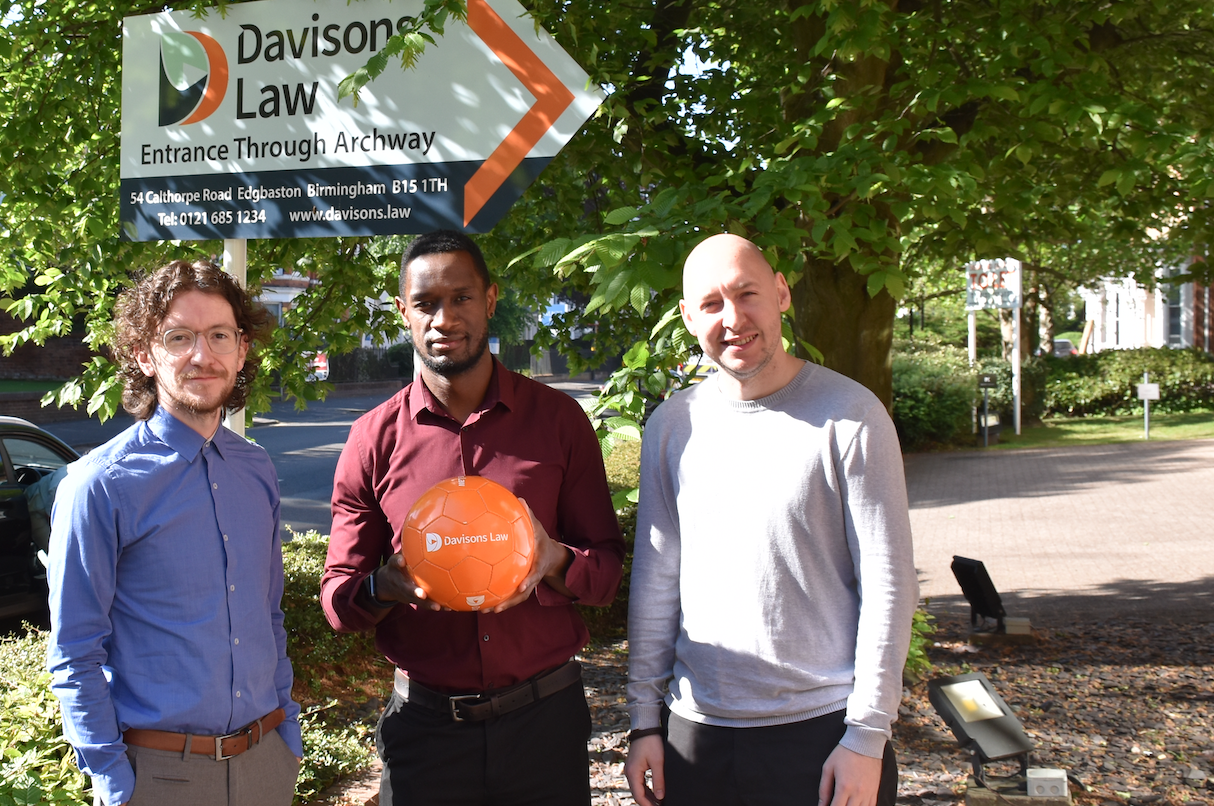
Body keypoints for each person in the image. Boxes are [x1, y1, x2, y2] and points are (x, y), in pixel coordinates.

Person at [321, 229, 625, 806]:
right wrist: (386, 584)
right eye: (425, 303)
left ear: (490, 300)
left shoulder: (559, 421)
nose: (444, 318)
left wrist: (554, 560)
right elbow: (339, 599)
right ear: (402, 311)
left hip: (546, 726)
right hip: (426, 733)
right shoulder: (372, 439)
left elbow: (607, 574)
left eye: (461, 298)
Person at [624, 234, 918, 806]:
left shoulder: (851, 416)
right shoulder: (671, 425)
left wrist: (867, 735)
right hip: (696, 734)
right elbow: (657, 579)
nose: (732, 318)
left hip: (823, 734)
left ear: (781, 293)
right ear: (687, 317)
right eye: (710, 304)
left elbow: (889, 584)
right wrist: (644, 723)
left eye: (746, 293)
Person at [47, 260, 302, 806]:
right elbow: (74, 651)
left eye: (218, 336)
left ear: (242, 349)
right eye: (178, 337)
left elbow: (269, 615)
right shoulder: (100, 484)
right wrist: (114, 780)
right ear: (145, 354)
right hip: (158, 778)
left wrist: (288, 736)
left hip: (266, 767)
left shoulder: (256, 470)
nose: (201, 355)